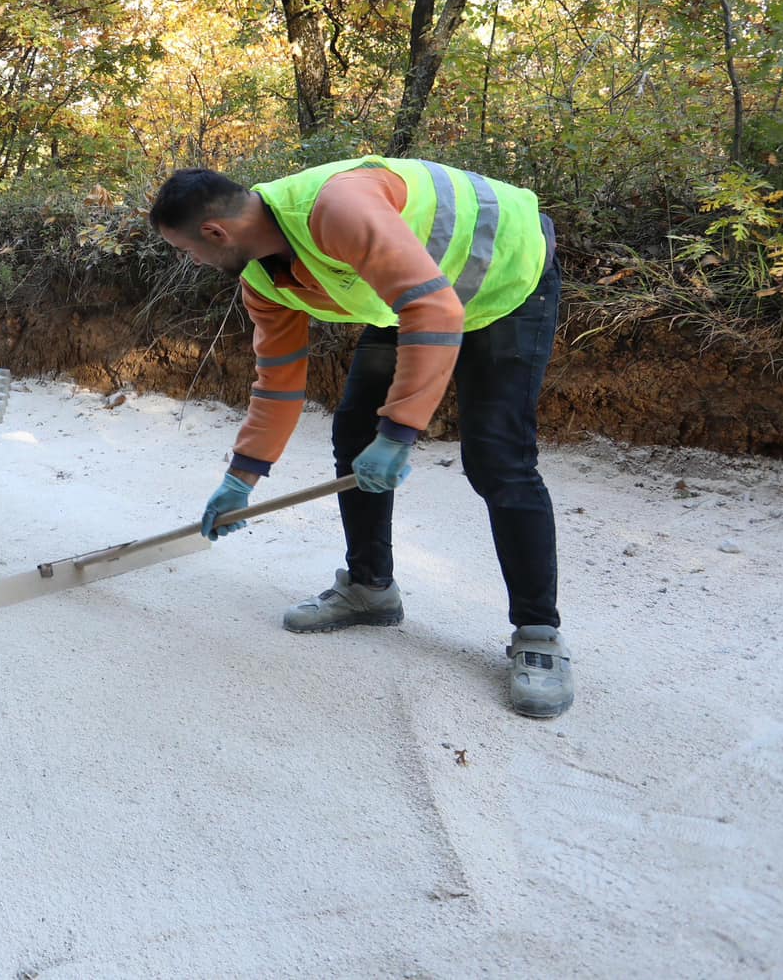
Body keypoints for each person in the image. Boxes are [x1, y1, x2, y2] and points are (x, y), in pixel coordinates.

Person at [149, 158, 571, 719]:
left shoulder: (336, 207)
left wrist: (399, 433)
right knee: (353, 433)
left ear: (214, 232)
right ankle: (371, 589)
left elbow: (434, 306)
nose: (193, 262)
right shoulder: (261, 277)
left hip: (505, 279)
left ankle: (538, 633)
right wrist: (241, 477)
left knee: (497, 455)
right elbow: (278, 383)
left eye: (186, 251)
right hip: (416, 290)